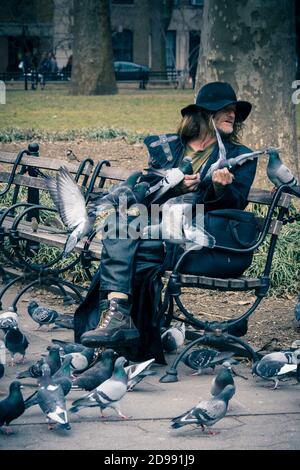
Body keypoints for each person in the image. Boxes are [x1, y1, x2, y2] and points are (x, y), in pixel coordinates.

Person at [75, 81, 257, 364]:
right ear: (205, 113)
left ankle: (117, 320)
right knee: (117, 226)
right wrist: (175, 189)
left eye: (234, 110)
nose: (232, 115)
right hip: (161, 225)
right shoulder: (169, 148)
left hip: (202, 236)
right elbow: (146, 196)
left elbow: (235, 205)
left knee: (135, 249)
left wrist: (221, 188)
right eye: (226, 110)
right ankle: (119, 313)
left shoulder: (239, 156)